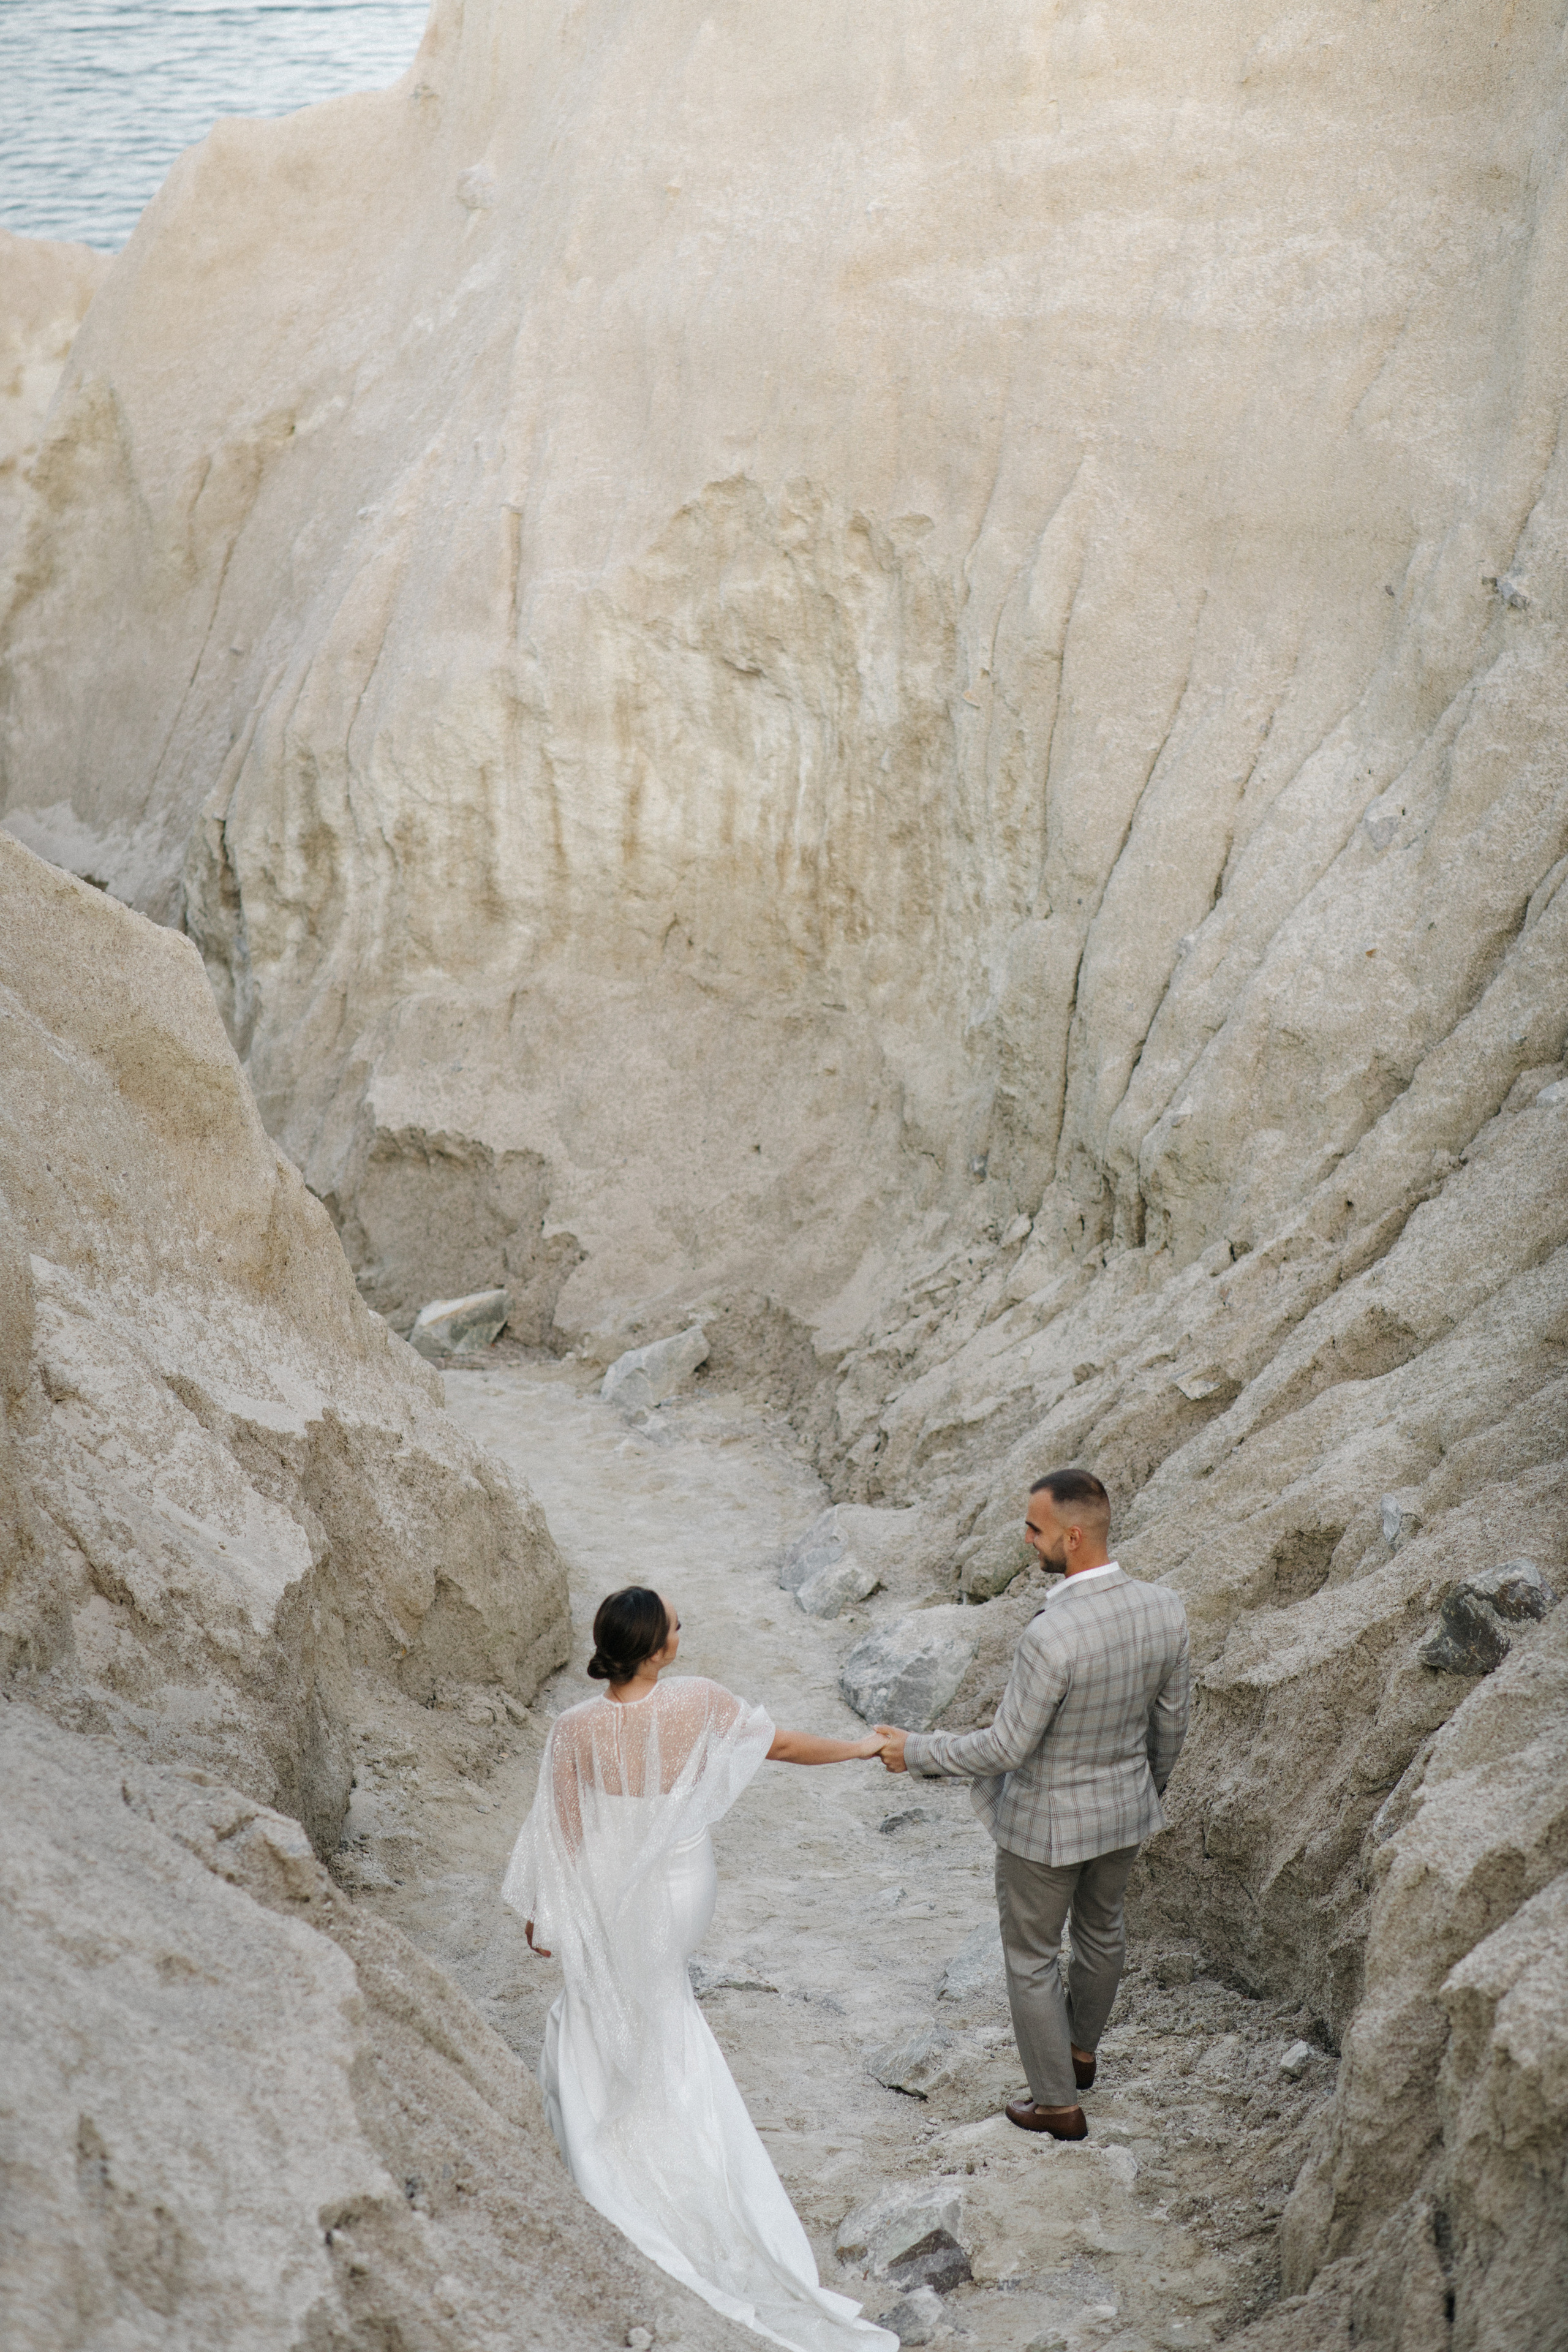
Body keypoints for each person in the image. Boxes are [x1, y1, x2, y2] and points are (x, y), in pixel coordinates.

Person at [503, 1586, 897, 2352]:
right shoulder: (700, 1703)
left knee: (601, 2000)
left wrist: (549, 1913)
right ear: (658, 1650)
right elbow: (779, 1745)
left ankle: (612, 2137)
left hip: (610, 1888)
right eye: (677, 1627)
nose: (683, 1634)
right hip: (681, 1887)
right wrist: (860, 1747)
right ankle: (669, 2128)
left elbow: (565, 1829)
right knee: (662, 2002)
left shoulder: (573, 1729)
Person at [876, 1466, 1189, 2139]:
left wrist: (917, 1752)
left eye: (1035, 1528)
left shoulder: (1052, 1635)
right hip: (1125, 1809)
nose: (1026, 1540)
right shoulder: (1165, 1608)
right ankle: (1078, 2055)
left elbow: (1007, 1748)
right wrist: (1144, 1795)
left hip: (1045, 1829)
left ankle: (1056, 2104)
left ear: (1072, 1537)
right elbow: (1171, 1726)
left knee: (1031, 1957)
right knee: (1102, 1931)